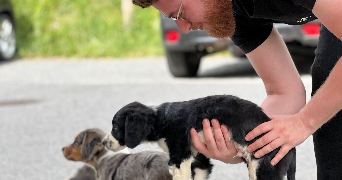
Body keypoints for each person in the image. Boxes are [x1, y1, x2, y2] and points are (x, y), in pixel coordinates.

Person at [132, 0, 342, 179]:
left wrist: (304, 122)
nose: (183, 28)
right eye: (172, 19)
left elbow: (305, 119)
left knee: (327, 99)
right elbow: (284, 92)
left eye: (179, 13)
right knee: (330, 98)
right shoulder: (230, 9)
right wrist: (244, 143)